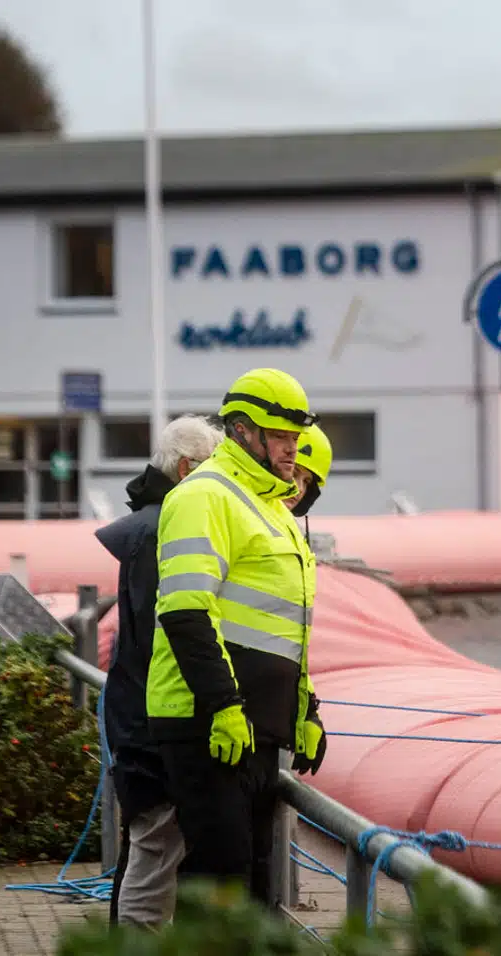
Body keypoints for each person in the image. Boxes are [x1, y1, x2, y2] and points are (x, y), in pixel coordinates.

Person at [148, 368, 326, 909]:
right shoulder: (205, 496)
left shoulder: (275, 508)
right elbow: (184, 609)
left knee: (253, 889)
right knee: (220, 888)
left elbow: (285, 626)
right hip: (208, 725)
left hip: (255, 729)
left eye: (297, 439)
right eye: (281, 437)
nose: (292, 451)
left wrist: (305, 707)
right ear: (243, 431)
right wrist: (223, 706)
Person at [94, 414, 222, 928]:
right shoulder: (163, 531)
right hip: (154, 722)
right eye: (215, 470)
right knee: (152, 859)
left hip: (138, 714)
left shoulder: (148, 523)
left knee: (144, 853)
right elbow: (165, 633)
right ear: (188, 469)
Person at [282, 423, 333, 778]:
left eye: (306, 482)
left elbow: (286, 638)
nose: (297, 490)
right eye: (294, 475)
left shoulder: (289, 538)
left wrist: (307, 708)